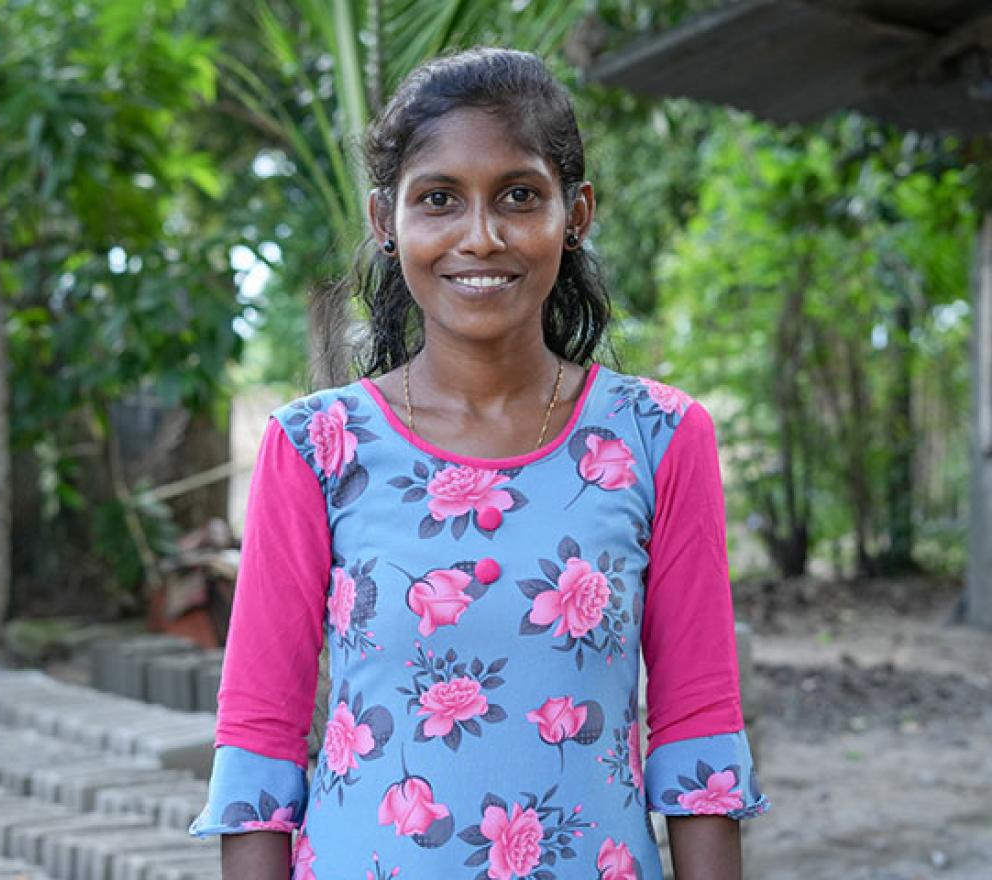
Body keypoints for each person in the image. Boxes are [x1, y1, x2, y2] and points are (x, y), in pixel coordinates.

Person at [190, 47, 768, 880]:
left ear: (577, 214)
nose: (481, 236)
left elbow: (699, 733)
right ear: (386, 222)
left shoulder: (659, 438)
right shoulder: (315, 449)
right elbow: (258, 745)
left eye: (519, 196)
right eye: (439, 200)